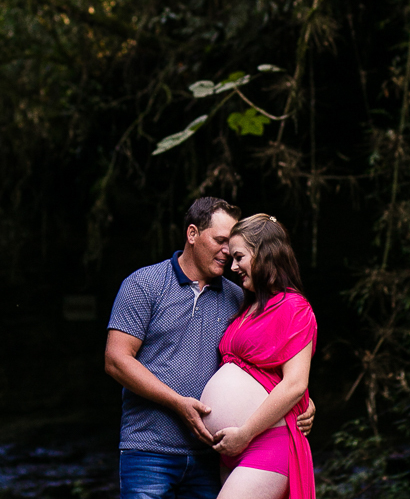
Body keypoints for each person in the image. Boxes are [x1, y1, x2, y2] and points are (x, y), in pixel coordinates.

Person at [105, 198, 314, 499]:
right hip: (150, 448)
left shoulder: (238, 296)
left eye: (232, 245)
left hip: (210, 453)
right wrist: (178, 402)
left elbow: (271, 358)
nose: (228, 252)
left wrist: (303, 400)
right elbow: (115, 360)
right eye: (220, 240)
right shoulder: (145, 284)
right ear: (192, 234)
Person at [202, 214, 316, 499]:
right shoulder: (248, 307)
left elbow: (294, 384)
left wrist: (245, 434)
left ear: (264, 251)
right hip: (234, 448)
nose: (233, 267)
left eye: (239, 256)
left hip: (265, 442)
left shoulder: (294, 307)